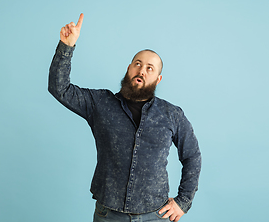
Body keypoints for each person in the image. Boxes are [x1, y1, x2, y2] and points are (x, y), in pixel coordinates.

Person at [48, 13, 201, 222]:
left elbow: (192, 156)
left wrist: (183, 202)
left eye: (150, 68)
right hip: (108, 215)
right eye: (137, 64)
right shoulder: (99, 103)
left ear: (158, 79)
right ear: (129, 69)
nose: (142, 70)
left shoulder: (172, 114)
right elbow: (60, 89)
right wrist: (66, 47)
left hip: (156, 215)